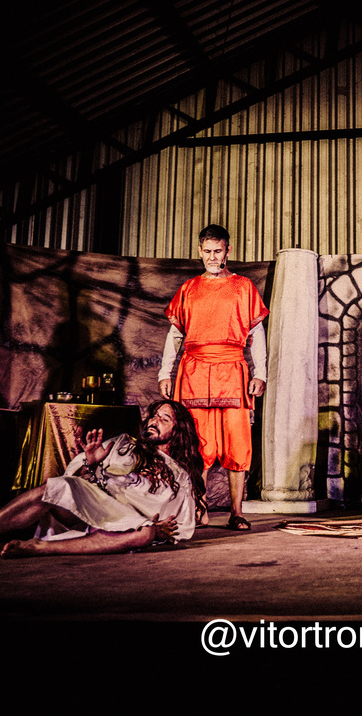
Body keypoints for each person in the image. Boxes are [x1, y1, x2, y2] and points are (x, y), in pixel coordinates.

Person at [0, 400, 205, 561]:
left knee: (144, 534)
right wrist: (89, 463)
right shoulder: (122, 443)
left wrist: (161, 532)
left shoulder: (179, 475)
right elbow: (76, 477)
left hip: (125, 522)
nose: (154, 420)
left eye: (164, 418)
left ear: (178, 430)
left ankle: (40, 548)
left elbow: (180, 524)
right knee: (56, 487)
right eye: (153, 415)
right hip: (92, 505)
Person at [159, 224, 268, 531]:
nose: (212, 257)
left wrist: (260, 372)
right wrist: (165, 371)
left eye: (217, 251)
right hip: (194, 371)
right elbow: (175, 335)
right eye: (206, 251)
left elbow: (257, 333)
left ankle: (237, 512)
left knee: (237, 443)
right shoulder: (189, 289)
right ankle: (200, 510)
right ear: (199, 251)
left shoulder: (243, 287)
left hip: (232, 369)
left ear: (227, 251)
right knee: (197, 445)